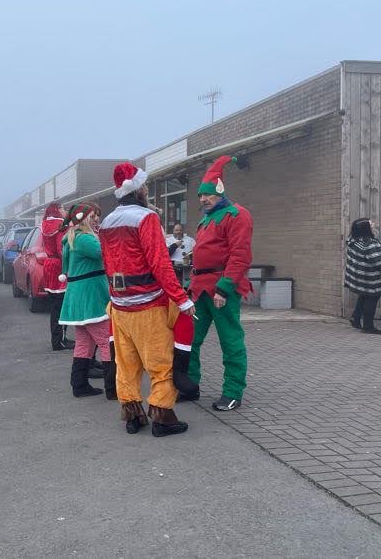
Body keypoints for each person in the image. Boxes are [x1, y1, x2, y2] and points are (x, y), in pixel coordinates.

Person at [99, 162, 196, 437]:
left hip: (119, 307)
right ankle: (163, 418)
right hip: (148, 306)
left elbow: (107, 263)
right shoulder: (146, 218)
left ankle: (133, 416)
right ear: (139, 189)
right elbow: (160, 263)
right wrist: (182, 299)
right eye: (144, 186)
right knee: (161, 364)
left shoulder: (107, 222)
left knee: (126, 365)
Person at [177, 156, 253, 412]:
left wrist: (224, 287)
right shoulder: (207, 219)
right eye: (200, 196)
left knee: (230, 341)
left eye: (207, 195)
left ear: (220, 192)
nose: (202, 199)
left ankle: (233, 391)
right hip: (199, 289)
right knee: (190, 339)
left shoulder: (237, 215)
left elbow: (240, 254)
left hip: (221, 290)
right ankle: (189, 385)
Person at [57, 203, 115, 398]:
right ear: (83, 219)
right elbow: (106, 254)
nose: (97, 219)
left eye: (98, 215)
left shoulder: (74, 237)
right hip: (91, 299)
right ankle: (112, 389)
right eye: (93, 216)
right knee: (107, 342)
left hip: (79, 299)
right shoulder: (84, 239)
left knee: (85, 343)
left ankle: (79, 385)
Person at [345, 217, 381, 335]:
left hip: (360, 277)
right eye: (370, 223)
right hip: (370, 278)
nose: (373, 223)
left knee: (364, 295)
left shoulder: (353, 240)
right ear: (365, 228)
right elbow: (379, 262)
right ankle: (368, 326)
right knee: (372, 299)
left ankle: (356, 318)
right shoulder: (370, 244)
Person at [41, 202, 74, 351]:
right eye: (62, 208)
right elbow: (62, 248)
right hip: (59, 267)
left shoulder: (45, 224)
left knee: (55, 307)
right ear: (57, 209)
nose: (64, 210)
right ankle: (60, 340)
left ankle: (57, 339)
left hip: (49, 265)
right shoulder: (61, 224)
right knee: (62, 306)